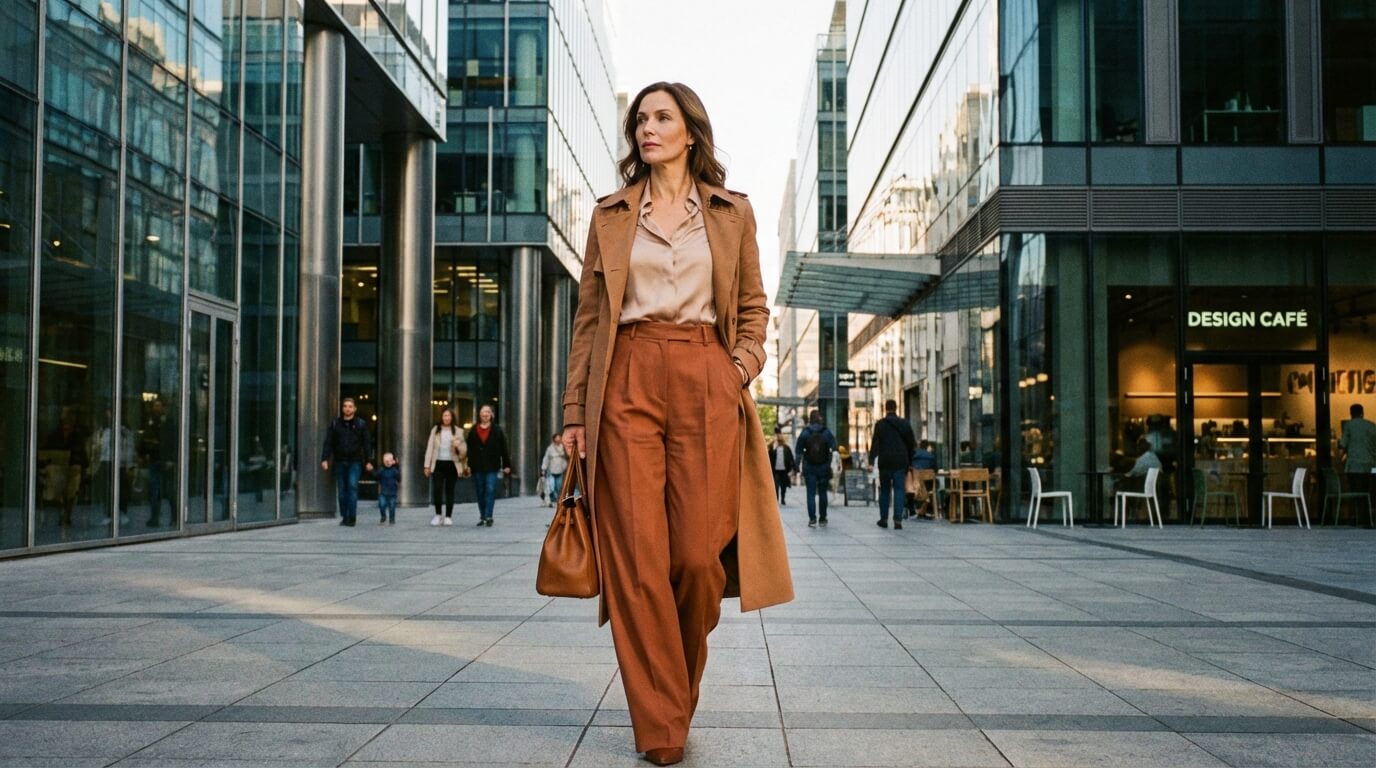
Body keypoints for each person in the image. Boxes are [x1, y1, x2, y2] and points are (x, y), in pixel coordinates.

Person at [559, 82, 793, 766]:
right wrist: (576, 412)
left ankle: (672, 690)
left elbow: (753, 307)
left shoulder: (731, 212)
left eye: (661, 117)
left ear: (691, 130)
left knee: (695, 559)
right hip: (625, 376)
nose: (647, 129)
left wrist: (739, 368)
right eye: (640, 120)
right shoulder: (609, 214)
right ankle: (661, 722)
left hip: (704, 377)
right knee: (636, 558)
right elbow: (588, 323)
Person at [320, 397, 373, 527]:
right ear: (342, 408)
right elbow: (328, 442)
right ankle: (345, 515)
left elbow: (367, 444)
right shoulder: (335, 424)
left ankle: (352, 517)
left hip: (355, 461)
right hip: (339, 461)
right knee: (342, 490)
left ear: (354, 409)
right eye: (345, 406)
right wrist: (324, 458)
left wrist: (369, 460)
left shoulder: (361, 424)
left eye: (350, 406)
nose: (347, 408)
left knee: (352, 486)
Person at [869, 400, 917, 530]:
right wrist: (910, 462)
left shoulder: (880, 425)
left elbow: (875, 444)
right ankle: (898, 520)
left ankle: (884, 519)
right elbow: (911, 444)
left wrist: (871, 461)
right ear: (896, 408)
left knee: (884, 490)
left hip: (885, 461)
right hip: (901, 461)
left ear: (885, 408)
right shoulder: (904, 424)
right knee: (899, 489)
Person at [465, 404, 510, 527]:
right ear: (479, 414)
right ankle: (483, 516)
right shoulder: (474, 430)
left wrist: (506, 464)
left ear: (491, 415)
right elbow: (469, 449)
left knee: (490, 490)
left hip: (492, 466)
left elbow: (503, 448)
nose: (485, 414)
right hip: (477, 466)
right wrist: (468, 465)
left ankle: (489, 516)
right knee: (480, 491)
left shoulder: (497, 430)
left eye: (488, 412)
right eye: (483, 412)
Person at [423, 408, 466, 526]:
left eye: (448, 416)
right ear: (441, 417)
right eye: (444, 416)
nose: (446, 418)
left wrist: (457, 446)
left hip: (452, 464)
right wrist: (427, 465)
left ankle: (448, 516)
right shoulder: (435, 430)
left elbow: (463, 452)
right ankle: (437, 515)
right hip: (438, 463)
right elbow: (429, 448)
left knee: (449, 491)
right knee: (437, 489)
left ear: (452, 417)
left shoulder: (458, 431)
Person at [795, 410, 836, 528]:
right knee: (823, 492)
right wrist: (831, 463)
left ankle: (812, 518)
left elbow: (798, 451)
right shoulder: (826, 432)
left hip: (810, 467)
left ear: (810, 419)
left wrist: (797, 466)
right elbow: (834, 448)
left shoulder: (805, 432)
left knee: (811, 493)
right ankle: (823, 518)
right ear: (819, 419)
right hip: (824, 466)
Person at [139, 399, 177, 527]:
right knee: (154, 491)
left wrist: (172, 459)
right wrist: (142, 455)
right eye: (155, 405)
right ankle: (154, 518)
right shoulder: (149, 422)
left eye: (159, 405)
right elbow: (145, 440)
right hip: (154, 459)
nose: (156, 408)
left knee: (169, 491)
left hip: (165, 460)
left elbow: (172, 441)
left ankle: (175, 517)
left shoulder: (168, 422)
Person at [1339, 403, 1376, 505]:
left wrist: (1340, 459)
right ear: (1362, 413)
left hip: (1353, 466)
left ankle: (1356, 514)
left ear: (1351, 414)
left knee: (1355, 492)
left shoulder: (1348, 425)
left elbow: (1343, 445)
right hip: (1371, 466)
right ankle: (1369, 511)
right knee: (1369, 491)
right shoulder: (1372, 426)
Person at [540, 432, 569, 506]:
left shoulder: (564, 448)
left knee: (559, 487)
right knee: (551, 486)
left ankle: (558, 500)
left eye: (559, 439)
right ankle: (551, 500)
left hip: (561, 470)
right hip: (551, 470)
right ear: (553, 440)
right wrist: (543, 469)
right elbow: (546, 459)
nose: (558, 441)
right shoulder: (550, 449)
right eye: (557, 439)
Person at [768, 431, 796, 505]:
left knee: (784, 486)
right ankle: (776, 499)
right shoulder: (773, 448)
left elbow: (791, 458)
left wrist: (793, 467)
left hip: (784, 470)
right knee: (776, 485)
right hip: (776, 470)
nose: (779, 441)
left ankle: (783, 499)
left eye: (780, 440)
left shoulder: (786, 448)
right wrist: (772, 445)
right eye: (778, 440)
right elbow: (769, 456)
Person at [374, 452, 400, 525]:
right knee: (381, 505)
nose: (388, 463)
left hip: (392, 492)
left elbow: (399, 478)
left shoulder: (394, 470)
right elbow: (376, 476)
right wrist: (373, 471)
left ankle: (392, 519)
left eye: (390, 461)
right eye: (386, 461)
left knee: (392, 507)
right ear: (383, 462)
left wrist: (397, 466)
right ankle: (383, 516)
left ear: (393, 461)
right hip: (383, 492)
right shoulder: (381, 469)